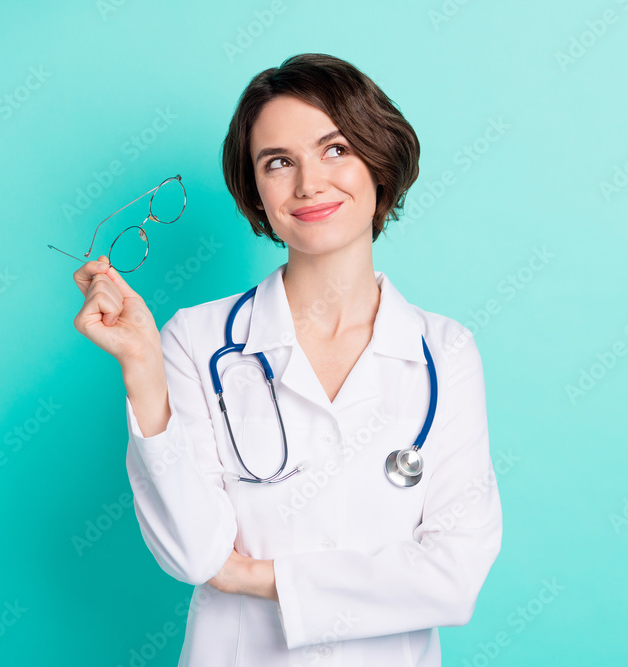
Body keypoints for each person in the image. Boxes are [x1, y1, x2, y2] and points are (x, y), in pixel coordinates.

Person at [71, 53, 502, 666]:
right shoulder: (196, 340)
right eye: (279, 162)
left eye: (335, 150)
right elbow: (196, 556)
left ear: (378, 162)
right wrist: (142, 368)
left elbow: (453, 581)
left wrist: (253, 576)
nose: (308, 184)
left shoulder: (445, 353)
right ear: (257, 192)